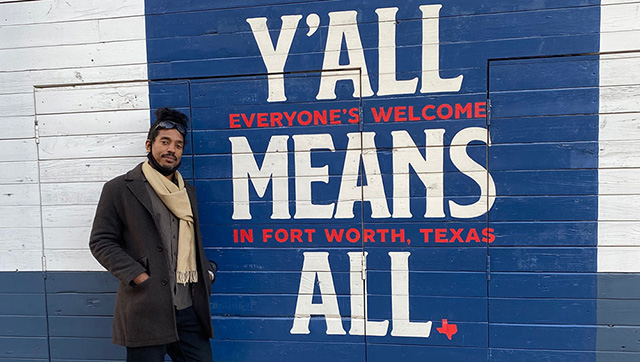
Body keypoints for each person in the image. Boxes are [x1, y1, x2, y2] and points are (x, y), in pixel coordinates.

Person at [89, 108, 216, 362]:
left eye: (178, 145)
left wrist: (208, 271)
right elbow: (101, 241)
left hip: (188, 308)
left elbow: (188, 242)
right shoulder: (119, 189)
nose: (172, 149)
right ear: (150, 144)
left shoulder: (187, 192)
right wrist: (138, 276)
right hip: (146, 308)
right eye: (165, 142)